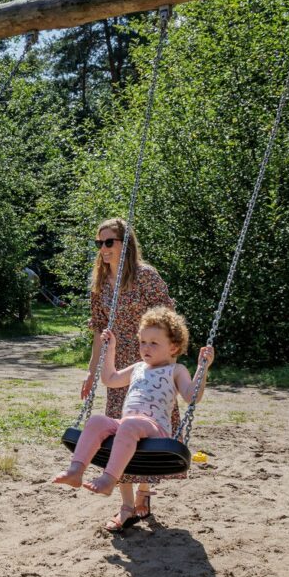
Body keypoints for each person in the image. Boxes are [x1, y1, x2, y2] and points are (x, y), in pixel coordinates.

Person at [54, 307, 214, 499]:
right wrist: (110, 349)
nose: (146, 347)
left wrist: (202, 368)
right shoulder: (138, 367)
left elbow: (191, 396)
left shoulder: (176, 370)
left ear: (173, 347)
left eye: (153, 343)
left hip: (156, 429)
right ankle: (76, 471)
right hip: (127, 424)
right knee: (96, 421)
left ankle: (109, 479)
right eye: (143, 342)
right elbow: (110, 379)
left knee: (129, 424)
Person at [83, 217, 176, 530]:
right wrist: (92, 372)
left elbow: (168, 321)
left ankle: (143, 495)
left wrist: (164, 360)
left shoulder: (146, 276)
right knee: (117, 431)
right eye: (99, 243)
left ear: (126, 244)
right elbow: (99, 332)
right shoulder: (100, 283)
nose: (104, 249)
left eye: (109, 242)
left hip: (148, 362)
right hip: (116, 364)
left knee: (145, 427)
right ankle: (125, 506)